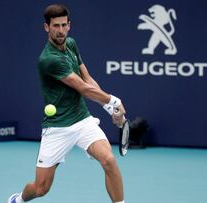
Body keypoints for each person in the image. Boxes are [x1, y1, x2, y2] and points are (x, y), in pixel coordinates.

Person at [8, 4, 127, 203]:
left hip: (82, 121)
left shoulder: (71, 44)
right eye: (55, 26)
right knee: (41, 188)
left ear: (69, 25)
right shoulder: (49, 59)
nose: (61, 30)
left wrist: (109, 107)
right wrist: (115, 101)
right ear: (46, 27)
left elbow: (88, 79)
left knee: (109, 160)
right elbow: (83, 88)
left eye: (64, 25)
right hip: (57, 128)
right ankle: (18, 199)